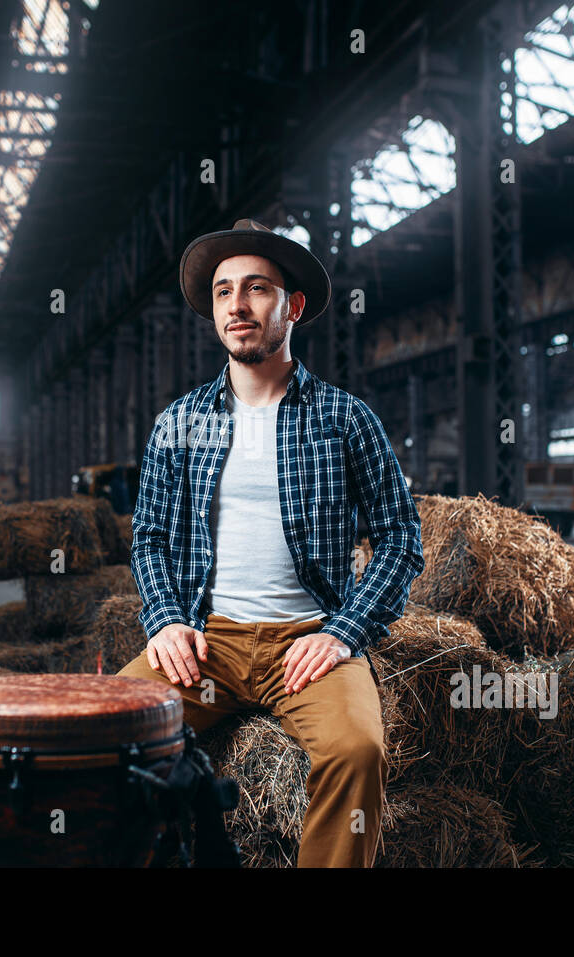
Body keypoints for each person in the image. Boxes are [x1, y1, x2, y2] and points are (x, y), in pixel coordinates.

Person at [118, 218, 424, 867]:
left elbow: (401, 537)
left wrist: (342, 633)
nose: (237, 305)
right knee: (106, 735)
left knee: (357, 750)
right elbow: (147, 536)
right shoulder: (181, 421)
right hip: (208, 644)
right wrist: (165, 620)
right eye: (225, 291)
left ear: (294, 306)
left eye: (257, 288)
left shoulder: (345, 418)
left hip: (307, 641)